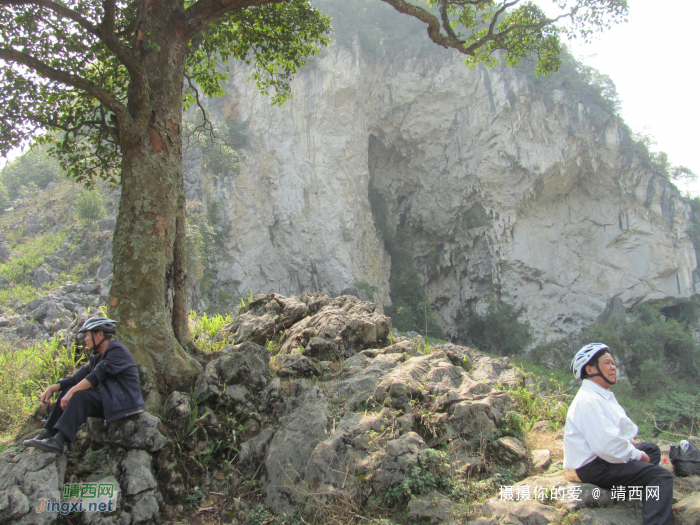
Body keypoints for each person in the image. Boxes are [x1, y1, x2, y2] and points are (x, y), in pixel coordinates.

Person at [563, 343, 673, 525]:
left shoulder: (598, 394)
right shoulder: (588, 401)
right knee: (661, 476)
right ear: (590, 369)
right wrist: (637, 455)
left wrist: (632, 446)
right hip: (596, 466)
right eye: (607, 363)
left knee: (651, 450)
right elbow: (605, 445)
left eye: (613, 363)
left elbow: (609, 432)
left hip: (604, 459)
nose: (613, 367)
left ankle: (643, 489)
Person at [23, 316, 145, 455]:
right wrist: (53, 388)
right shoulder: (97, 357)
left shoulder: (117, 350)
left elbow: (95, 376)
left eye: (87, 335)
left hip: (124, 403)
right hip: (109, 400)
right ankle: (49, 433)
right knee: (70, 390)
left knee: (80, 395)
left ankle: (58, 440)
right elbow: (77, 378)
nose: (85, 339)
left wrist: (72, 392)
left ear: (100, 334)